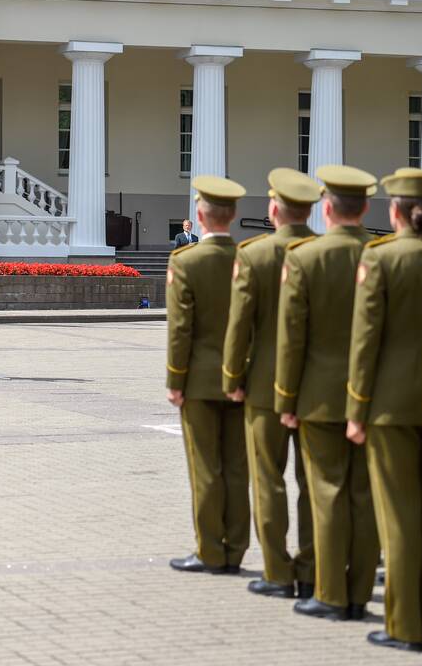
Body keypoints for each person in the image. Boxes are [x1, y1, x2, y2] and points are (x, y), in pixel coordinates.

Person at [344, 169, 422, 653]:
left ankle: (405, 625)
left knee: (399, 520)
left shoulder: (383, 257)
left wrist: (357, 408)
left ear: (395, 210)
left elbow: (365, 342)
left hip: (390, 409)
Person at [275, 164, 380, 622]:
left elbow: (291, 337)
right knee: (364, 495)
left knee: (326, 493)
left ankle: (331, 593)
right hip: (372, 396)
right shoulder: (383, 254)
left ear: (327, 208)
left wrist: (285, 398)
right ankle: (359, 592)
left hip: (317, 397)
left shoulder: (305, 257)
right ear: (366, 208)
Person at [222, 167, 319, 600]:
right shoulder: (328, 251)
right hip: (319, 388)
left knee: (269, 480)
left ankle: (278, 570)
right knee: (315, 484)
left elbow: (239, 326)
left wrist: (232, 378)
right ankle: (315, 567)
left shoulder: (255, 254)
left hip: (263, 385)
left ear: (274, 208)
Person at [167, 175, 250, 576]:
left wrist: (174, 379)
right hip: (244, 378)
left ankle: (209, 551)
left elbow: (181, 328)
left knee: (205, 467)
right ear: (233, 215)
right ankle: (236, 547)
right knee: (237, 466)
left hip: (199, 380)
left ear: (199, 216)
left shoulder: (187, 261)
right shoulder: (250, 257)